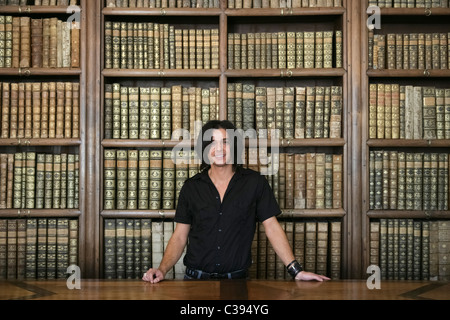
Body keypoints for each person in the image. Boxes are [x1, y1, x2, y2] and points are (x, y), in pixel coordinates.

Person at [142, 120, 330, 283]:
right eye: (212, 143)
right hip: (195, 281)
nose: (219, 149)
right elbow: (180, 236)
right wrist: (162, 269)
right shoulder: (192, 187)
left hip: (238, 282)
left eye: (225, 142)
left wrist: (296, 270)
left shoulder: (255, 183)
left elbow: (272, 228)